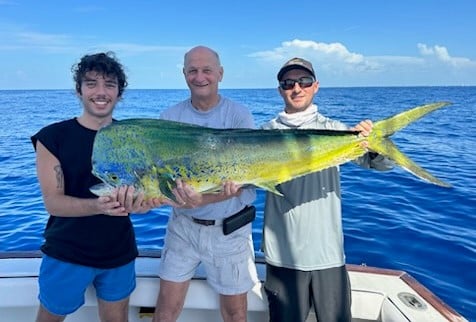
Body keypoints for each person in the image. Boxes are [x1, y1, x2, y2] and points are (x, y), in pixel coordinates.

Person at [31, 52, 161, 322]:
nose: (101, 92)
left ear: (119, 93)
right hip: (66, 254)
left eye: (110, 84)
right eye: (91, 83)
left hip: (118, 253)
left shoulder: (134, 139)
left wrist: (143, 205)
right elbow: (53, 203)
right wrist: (98, 206)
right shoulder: (52, 137)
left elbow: (143, 199)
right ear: (78, 91)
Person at [261, 57, 393, 322]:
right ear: (279, 90)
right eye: (288, 83)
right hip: (282, 258)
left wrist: (377, 143)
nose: (296, 88)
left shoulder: (335, 130)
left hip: (328, 256)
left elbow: (381, 165)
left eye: (304, 81)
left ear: (316, 86)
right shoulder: (264, 134)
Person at [152, 46, 259, 322]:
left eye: (207, 70)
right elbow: (163, 182)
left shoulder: (239, 116)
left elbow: (248, 182)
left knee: (235, 313)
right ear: (184, 74)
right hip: (183, 228)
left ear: (220, 74)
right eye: (193, 71)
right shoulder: (169, 119)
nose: (200, 77)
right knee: (165, 310)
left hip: (229, 230)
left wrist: (205, 199)